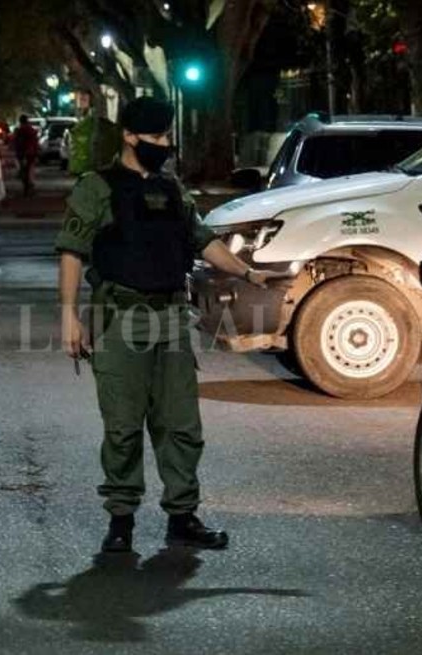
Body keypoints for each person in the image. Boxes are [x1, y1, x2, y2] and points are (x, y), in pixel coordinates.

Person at [55, 97, 288, 554]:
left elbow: (202, 241)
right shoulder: (96, 188)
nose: (164, 145)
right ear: (129, 135)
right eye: (157, 137)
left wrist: (247, 272)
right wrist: (68, 314)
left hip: (170, 319)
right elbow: (72, 252)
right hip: (120, 319)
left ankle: (182, 516)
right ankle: (120, 522)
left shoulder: (172, 188)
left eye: (166, 136)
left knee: (180, 425)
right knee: (122, 427)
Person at [12, 114, 40, 197]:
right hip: (30, 154)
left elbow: (18, 143)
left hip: (24, 153)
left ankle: (27, 189)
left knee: (24, 171)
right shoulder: (31, 130)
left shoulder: (20, 130)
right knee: (28, 171)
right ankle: (29, 188)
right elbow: (35, 142)